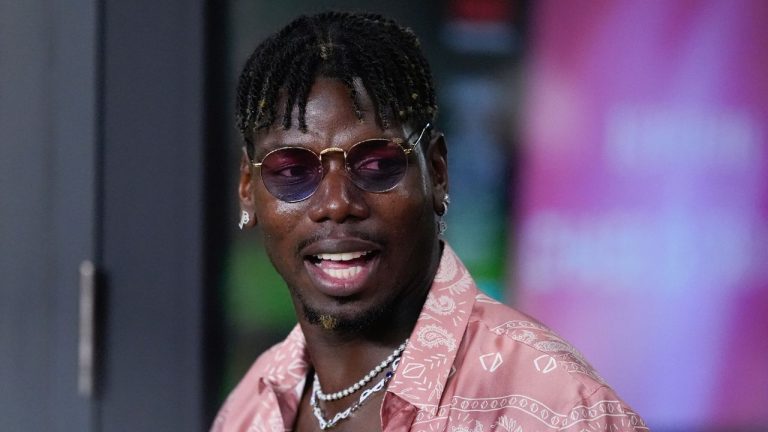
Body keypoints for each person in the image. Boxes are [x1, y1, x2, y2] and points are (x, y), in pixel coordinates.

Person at [213, 11, 648, 432]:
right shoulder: (252, 407)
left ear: (437, 172)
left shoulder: (560, 411)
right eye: (291, 171)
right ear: (248, 190)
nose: (337, 204)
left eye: (378, 164)